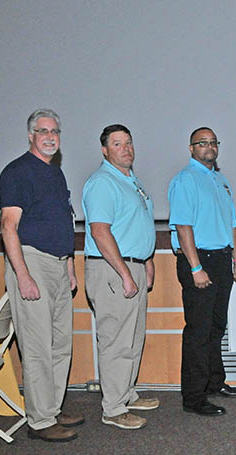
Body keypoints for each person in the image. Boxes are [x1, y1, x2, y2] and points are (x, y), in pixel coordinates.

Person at [0, 108, 82, 442]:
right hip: (31, 262)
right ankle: (40, 421)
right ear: (31, 135)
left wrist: (70, 267)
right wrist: (23, 275)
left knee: (60, 343)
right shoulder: (18, 172)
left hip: (59, 265)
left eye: (55, 131)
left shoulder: (55, 174)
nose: (50, 136)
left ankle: (51, 406)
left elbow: (64, 222)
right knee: (36, 346)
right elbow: (8, 226)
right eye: (43, 130)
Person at [82, 124, 159, 430]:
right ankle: (113, 408)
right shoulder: (102, 182)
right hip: (112, 269)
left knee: (133, 336)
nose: (126, 149)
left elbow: (137, 225)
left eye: (129, 143)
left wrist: (147, 261)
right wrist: (126, 273)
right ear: (105, 150)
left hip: (133, 265)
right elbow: (100, 232)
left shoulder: (131, 181)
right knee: (115, 339)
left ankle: (126, 393)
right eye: (117, 144)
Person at [168, 127, 236, 417]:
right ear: (191, 149)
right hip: (198, 260)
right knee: (198, 332)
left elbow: (232, 223)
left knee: (216, 327)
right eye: (202, 143)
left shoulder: (220, 180)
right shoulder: (185, 180)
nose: (209, 147)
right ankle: (194, 397)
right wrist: (196, 267)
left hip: (222, 259)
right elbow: (183, 226)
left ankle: (215, 383)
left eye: (213, 142)